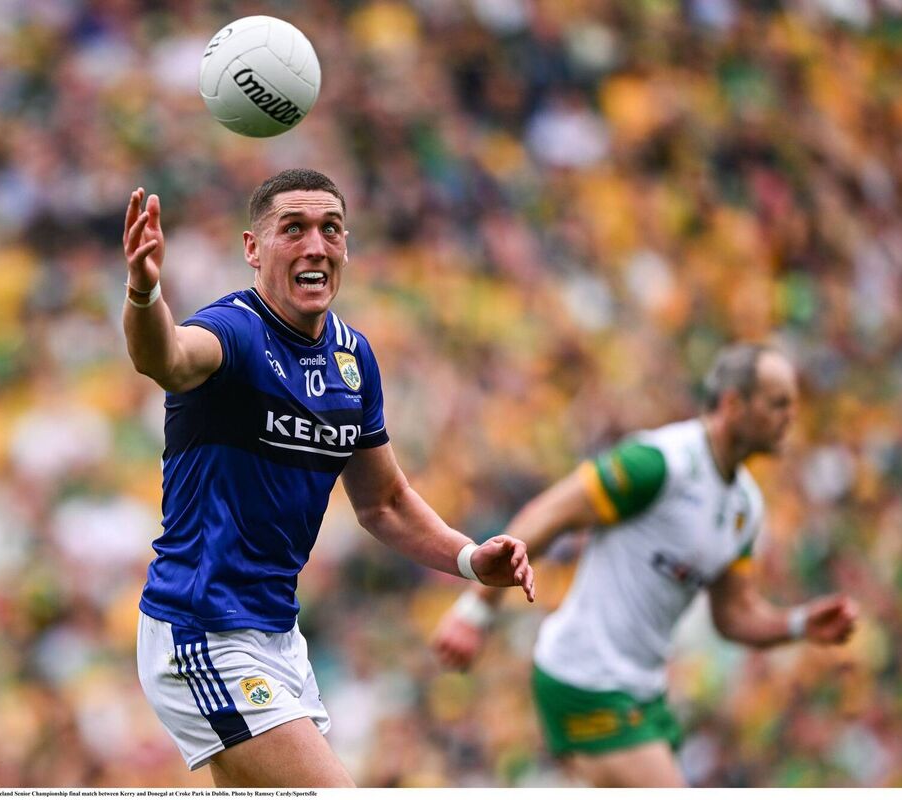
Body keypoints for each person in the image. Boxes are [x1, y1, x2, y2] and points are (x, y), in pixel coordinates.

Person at [121, 169, 536, 788]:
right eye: (293, 228)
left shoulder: (353, 356)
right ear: (253, 249)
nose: (316, 244)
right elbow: (168, 359)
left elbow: (385, 503)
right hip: (202, 631)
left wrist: (472, 559)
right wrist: (145, 293)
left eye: (331, 229)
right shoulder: (233, 332)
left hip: (278, 637)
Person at [432, 343, 859, 787]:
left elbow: (735, 615)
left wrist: (799, 625)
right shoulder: (658, 463)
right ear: (733, 404)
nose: (791, 416)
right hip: (584, 678)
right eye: (778, 403)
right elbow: (549, 515)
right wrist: (475, 611)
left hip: (644, 692)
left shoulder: (745, 507)